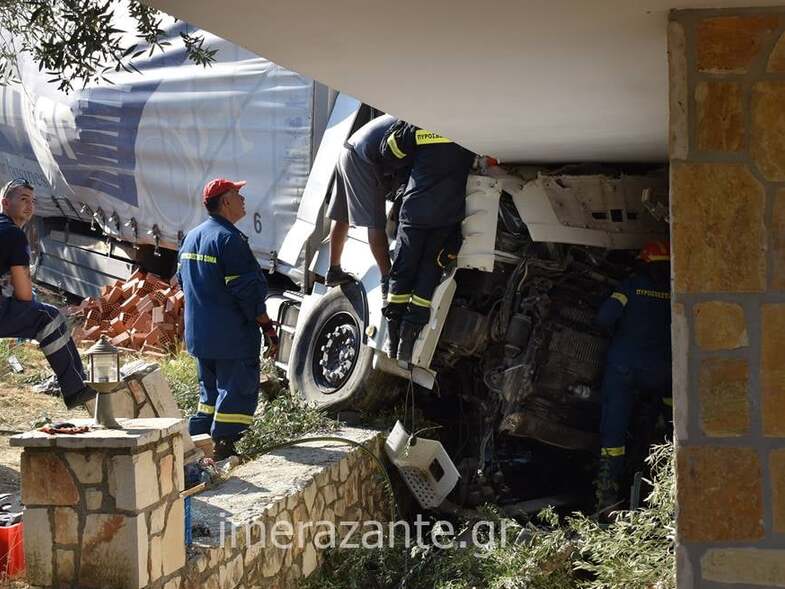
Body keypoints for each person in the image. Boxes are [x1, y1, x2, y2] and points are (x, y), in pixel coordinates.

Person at [177, 178, 279, 461]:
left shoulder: (192, 237)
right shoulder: (229, 240)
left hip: (201, 336)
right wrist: (268, 330)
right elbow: (247, 294)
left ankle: (196, 448)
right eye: (237, 194)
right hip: (231, 339)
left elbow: (182, 283)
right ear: (225, 202)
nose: (243, 199)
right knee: (236, 392)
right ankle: (224, 450)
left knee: (208, 397)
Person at [379, 124, 475, 363]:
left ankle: (393, 338)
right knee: (428, 275)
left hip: (415, 213)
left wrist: (406, 124)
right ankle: (407, 340)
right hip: (445, 215)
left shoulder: (420, 125)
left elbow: (389, 152)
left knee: (402, 274)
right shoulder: (472, 129)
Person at [0, 178, 97, 408]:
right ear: (5, 202)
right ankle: (75, 388)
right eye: (23, 199)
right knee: (48, 317)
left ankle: (78, 383)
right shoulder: (13, 235)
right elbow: (24, 296)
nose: (30, 206)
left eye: (32, 201)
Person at [594, 240, 672, 509]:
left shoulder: (630, 286)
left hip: (623, 369)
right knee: (670, 427)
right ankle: (667, 483)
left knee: (613, 430)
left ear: (643, 262)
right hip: (663, 375)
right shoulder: (677, 291)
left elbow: (604, 318)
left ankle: (607, 496)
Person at [325, 114, 405, 300]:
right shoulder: (415, 123)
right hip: (363, 158)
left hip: (349, 150)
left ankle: (334, 270)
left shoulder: (403, 113)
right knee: (376, 223)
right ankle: (388, 280)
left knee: (342, 215)